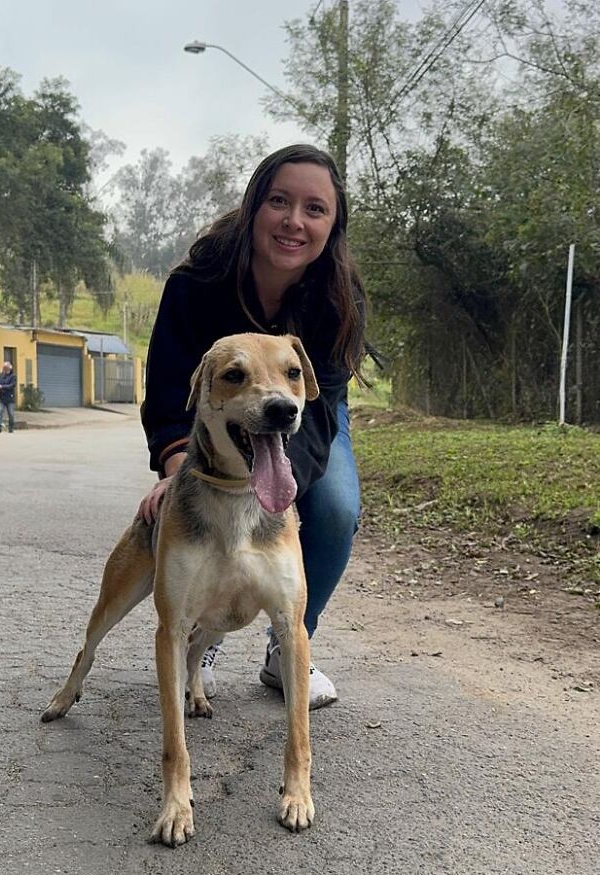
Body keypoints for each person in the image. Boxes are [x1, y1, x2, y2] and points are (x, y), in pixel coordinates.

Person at [139, 143, 371, 710]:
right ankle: (205, 634)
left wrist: (279, 484)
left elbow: (320, 405)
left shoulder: (340, 298)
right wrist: (177, 467)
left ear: (332, 225)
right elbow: (170, 387)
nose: (295, 221)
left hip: (304, 411)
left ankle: (290, 640)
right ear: (253, 206)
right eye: (279, 201)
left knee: (334, 509)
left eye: (315, 209)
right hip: (218, 414)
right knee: (205, 510)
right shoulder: (197, 281)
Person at [0, 361, 17, 433]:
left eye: (6, 368)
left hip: (10, 398)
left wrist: (2, 386)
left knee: (11, 414)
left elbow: (12, 385)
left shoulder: (13, 376)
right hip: (1, 398)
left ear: (9, 368)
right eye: (4, 368)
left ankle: (11, 428)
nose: (4, 370)